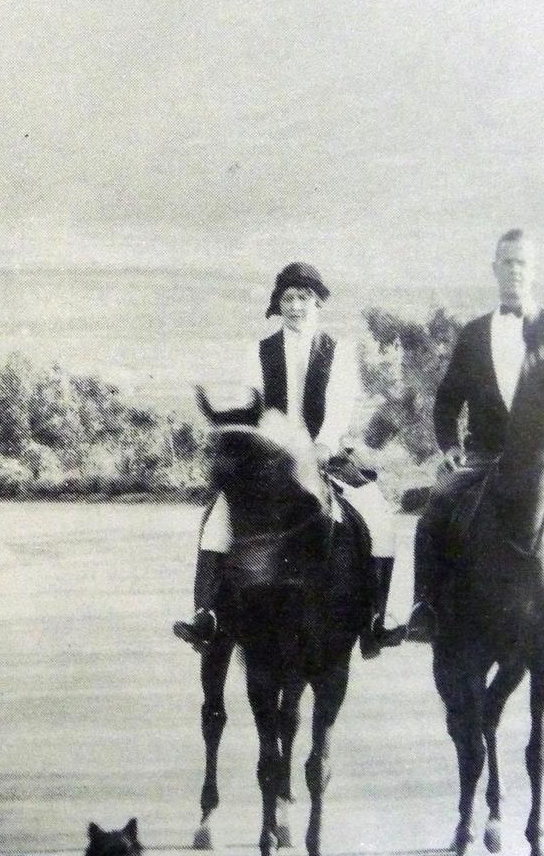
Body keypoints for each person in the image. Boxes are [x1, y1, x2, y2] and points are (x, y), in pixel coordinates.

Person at [172, 261, 405, 659]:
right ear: (278, 304)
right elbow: (255, 408)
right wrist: (274, 450)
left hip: (326, 457)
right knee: (217, 519)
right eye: (287, 299)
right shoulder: (259, 351)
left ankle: (374, 621)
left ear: (318, 303)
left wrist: (324, 444)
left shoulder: (339, 352)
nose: (295, 307)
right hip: (273, 462)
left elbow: (340, 404)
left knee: (379, 515)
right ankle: (205, 615)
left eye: (303, 298)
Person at [407, 228, 544, 642]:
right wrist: (450, 447)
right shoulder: (473, 334)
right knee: (436, 505)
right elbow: (447, 402)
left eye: (523, 262)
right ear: (494, 269)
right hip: (482, 457)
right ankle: (425, 606)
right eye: (507, 262)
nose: (515, 271)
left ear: (535, 270)